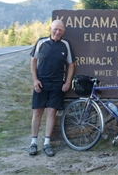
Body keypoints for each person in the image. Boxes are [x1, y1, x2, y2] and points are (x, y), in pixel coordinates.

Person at [28, 19, 75, 157]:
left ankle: (47, 143)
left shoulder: (65, 44)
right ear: (50, 28)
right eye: (55, 29)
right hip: (41, 82)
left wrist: (67, 82)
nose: (57, 31)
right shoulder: (41, 42)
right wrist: (35, 80)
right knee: (37, 112)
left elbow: (71, 64)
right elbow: (33, 61)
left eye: (60, 29)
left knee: (51, 112)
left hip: (57, 83)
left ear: (63, 31)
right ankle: (33, 142)